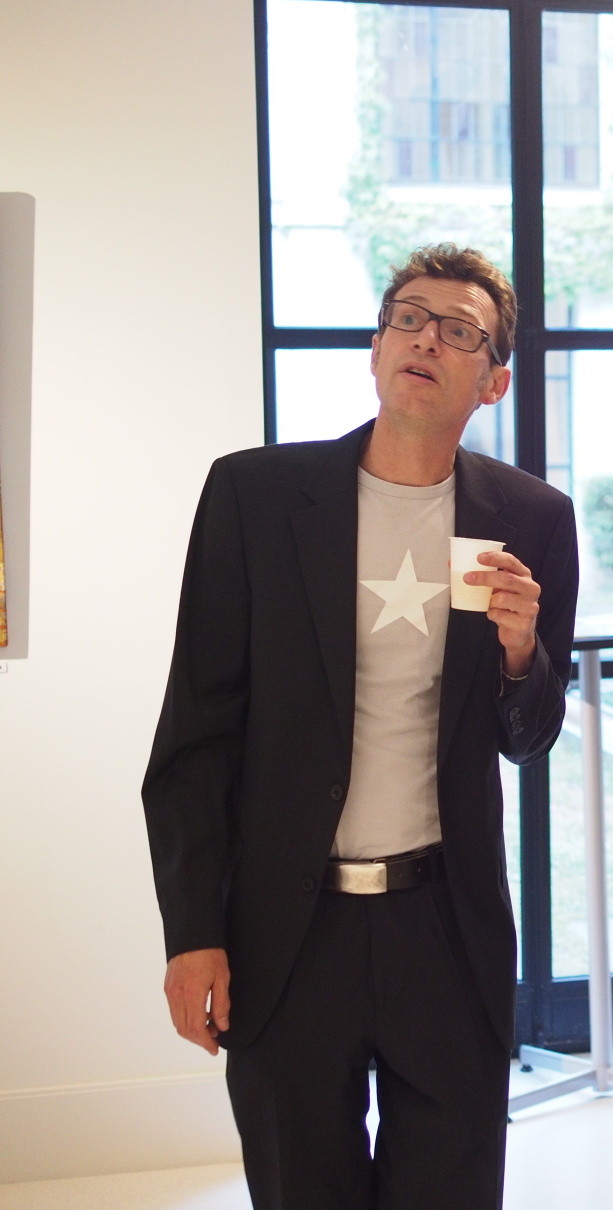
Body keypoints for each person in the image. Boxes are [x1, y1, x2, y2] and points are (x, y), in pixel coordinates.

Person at [143, 245, 579, 1210]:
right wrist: (192, 932)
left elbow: (529, 737)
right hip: (288, 930)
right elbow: (194, 738)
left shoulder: (532, 517)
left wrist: (520, 653)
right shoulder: (256, 497)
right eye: (407, 318)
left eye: (458, 331)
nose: (426, 339)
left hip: (445, 923)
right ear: (376, 349)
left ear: (494, 380)